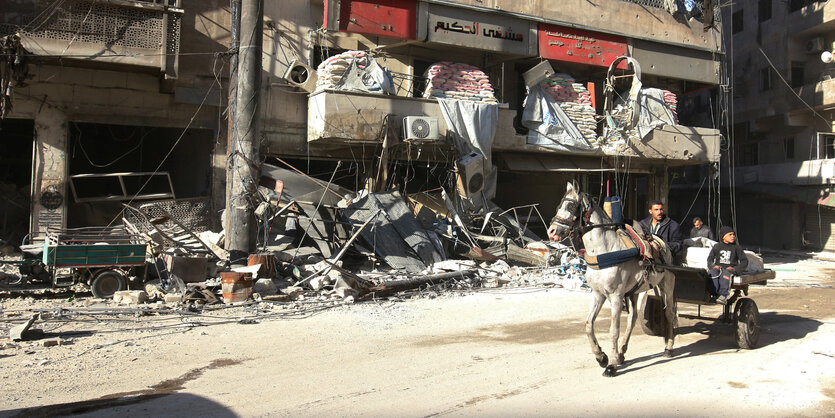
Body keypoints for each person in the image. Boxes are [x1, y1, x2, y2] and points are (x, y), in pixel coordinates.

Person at [706, 226, 748, 305]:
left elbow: (744, 261)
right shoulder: (717, 246)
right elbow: (710, 259)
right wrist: (712, 266)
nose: (733, 236)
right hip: (719, 268)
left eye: (734, 235)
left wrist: (736, 269)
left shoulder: (736, 247)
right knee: (712, 273)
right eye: (730, 235)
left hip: (730, 270)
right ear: (723, 236)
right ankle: (714, 295)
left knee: (726, 274)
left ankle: (723, 295)